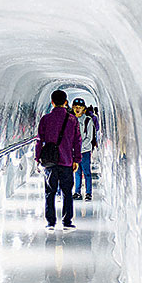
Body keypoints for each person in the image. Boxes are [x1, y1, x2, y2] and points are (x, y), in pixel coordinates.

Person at [35, 90, 81, 231]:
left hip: (50, 162)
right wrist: (76, 159)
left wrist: (37, 158)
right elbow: (77, 141)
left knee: (50, 192)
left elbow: (39, 140)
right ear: (66, 102)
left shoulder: (45, 119)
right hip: (67, 161)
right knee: (67, 192)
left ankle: (50, 222)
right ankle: (67, 222)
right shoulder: (72, 120)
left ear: (52, 102)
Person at [71, 98, 95, 201]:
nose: (77, 109)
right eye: (76, 107)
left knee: (86, 172)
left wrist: (78, 147)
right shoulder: (70, 120)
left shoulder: (88, 120)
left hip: (84, 151)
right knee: (77, 172)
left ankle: (88, 193)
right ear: (73, 107)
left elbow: (89, 137)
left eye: (80, 107)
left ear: (83, 109)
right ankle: (77, 192)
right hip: (74, 151)